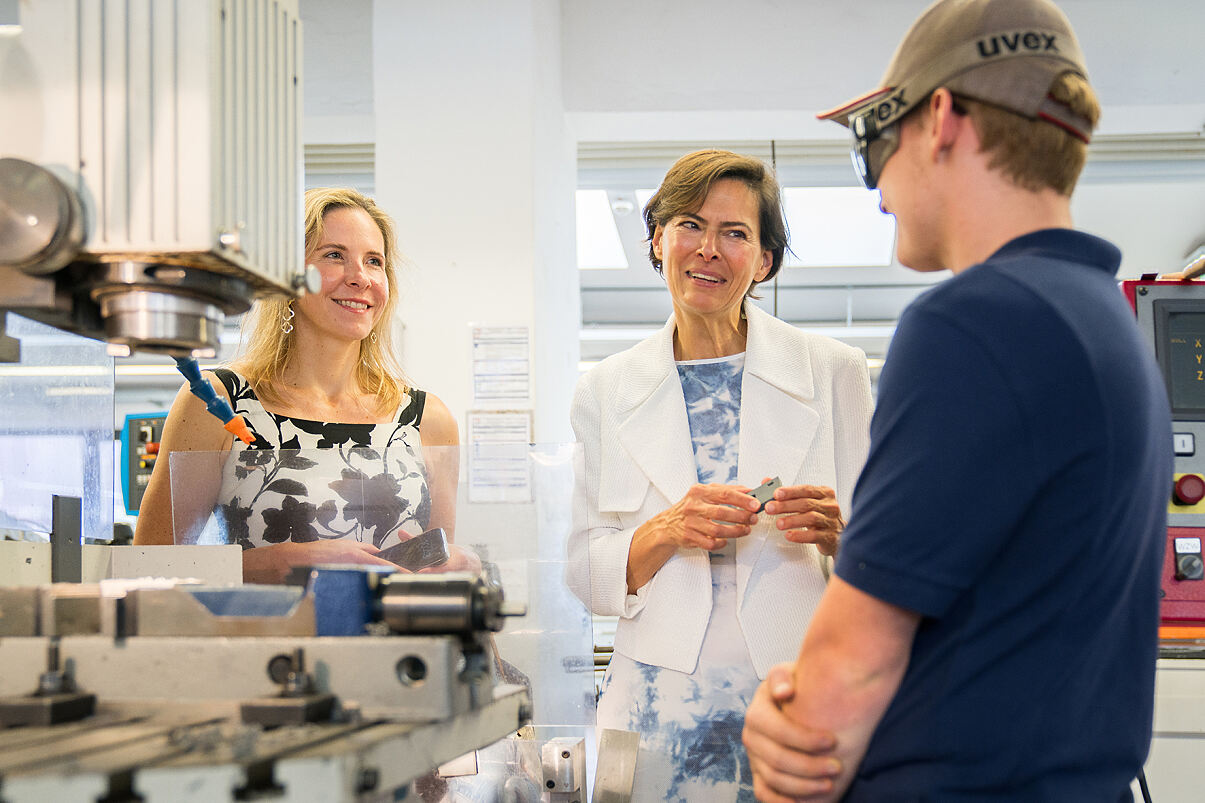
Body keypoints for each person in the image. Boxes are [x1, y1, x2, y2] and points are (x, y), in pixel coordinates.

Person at [741, 1, 1172, 800]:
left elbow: (843, 681)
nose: (876, 191)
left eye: (875, 145)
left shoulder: (976, 323)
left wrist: (792, 722)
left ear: (938, 117)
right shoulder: (1104, 326)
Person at [568, 149, 874, 800]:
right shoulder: (605, 389)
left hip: (793, 704)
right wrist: (665, 528)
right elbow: (581, 571)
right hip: (651, 715)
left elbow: (891, 563)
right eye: (689, 224)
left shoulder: (832, 372)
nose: (707, 248)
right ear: (657, 239)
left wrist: (840, 533)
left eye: (734, 233)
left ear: (763, 261)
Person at [135, 188, 466, 584]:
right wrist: (271, 565)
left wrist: (462, 570)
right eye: (334, 255)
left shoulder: (427, 419)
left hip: (395, 645)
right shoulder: (217, 401)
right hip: (267, 643)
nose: (360, 277)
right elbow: (148, 569)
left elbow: (437, 577)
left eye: (373, 261)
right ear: (288, 278)